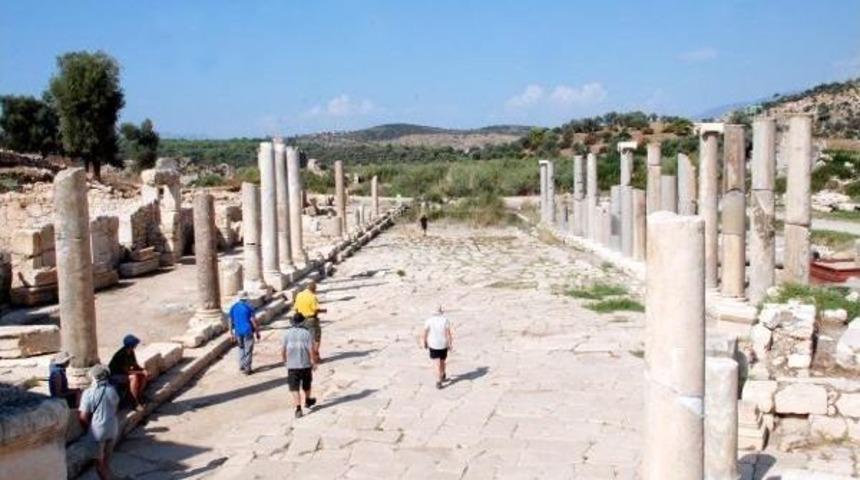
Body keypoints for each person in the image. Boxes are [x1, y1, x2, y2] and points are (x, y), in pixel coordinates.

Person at [79, 364, 120, 480]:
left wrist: (88, 430)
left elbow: (83, 417)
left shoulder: (88, 393)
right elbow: (115, 408)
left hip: (98, 432)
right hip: (113, 428)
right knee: (106, 460)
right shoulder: (112, 390)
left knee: (98, 463)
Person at [282, 313, 318, 418]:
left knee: (294, 388)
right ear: (303, 322)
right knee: (307, 384)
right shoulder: (306, 333)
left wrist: (285, 361)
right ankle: (307, 400)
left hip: (292, 365)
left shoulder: (287, 333)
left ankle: (298, 408)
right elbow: (311, 349)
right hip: (305, 364)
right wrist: (314, 362)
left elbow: (283, 350)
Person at [108, 334, 149, 411]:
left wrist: (142, 370)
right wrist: (140, 372)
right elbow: (127, 371)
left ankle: (139, 396)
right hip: (115, 375)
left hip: (123, 373)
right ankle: (134, 402)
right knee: (133, 377)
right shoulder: (121, 355)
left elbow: (135, 364)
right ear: (132, 345)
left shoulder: (131, 352)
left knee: (142, 376)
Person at [294, 280, 327, 362]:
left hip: (301, 320)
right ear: (313, 289)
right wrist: (323, 311)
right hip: (311, 320)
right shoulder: (312, 296)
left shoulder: (299, 295)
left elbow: (296, 309)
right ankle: (315, 357)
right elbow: (315, 309)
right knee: (316, 339)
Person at [421, 306, 453, 389]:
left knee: (437, 363)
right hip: (443, 344)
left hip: (433, 344)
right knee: (442, 361)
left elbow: (425, 333)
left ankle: (439, 381)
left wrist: (424, 342)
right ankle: (442, 374)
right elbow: (448, 334)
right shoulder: (445, 320)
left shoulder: (429, 321)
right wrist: (450, 344)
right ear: (441, 312)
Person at [229, 290, 261, 375]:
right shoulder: (249, 307)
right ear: (246, 298)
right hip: (247, 330)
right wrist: (257, 332)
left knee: (241, 347)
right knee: (248, 349)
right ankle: (248, 368)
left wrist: (231, 333)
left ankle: (241, 365)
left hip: (238, 331)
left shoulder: (233, 307)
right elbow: (253, 321)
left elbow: (230, 320)